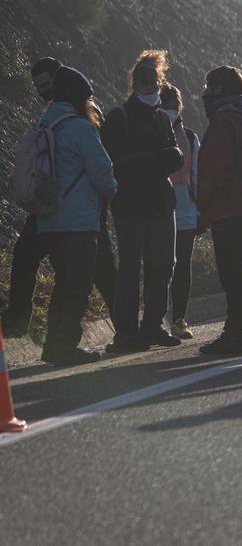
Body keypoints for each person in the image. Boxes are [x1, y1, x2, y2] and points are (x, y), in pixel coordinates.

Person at [2, 58, 117, 341]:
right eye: (39, 86)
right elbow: (100, 169)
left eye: (48, 84)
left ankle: (26, 322)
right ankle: (54, 334)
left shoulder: (66, 118)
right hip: (69, 209)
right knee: (76, 276)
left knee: (85, 273)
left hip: (66, 208)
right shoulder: (65, 117)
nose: (44, 91)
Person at [101, 50, 184, 354]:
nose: (148, 84)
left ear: (159, 81)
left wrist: (153, 159)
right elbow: (114, 162)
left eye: (152, 80)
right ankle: (126, 332)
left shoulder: (162, 117)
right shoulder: (118, 117)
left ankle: (152, 325)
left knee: (163, 265)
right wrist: (155, 160)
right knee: (130, 269)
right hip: (131, 206)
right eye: (142, 79)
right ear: (133, 82)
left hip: (161, 203)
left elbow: (174, 156)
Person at [195, 67, 242, 355]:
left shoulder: (223, 122)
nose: (205, 94)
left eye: (209, 87)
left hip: (227, 206)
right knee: (238, 272)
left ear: (218, 90)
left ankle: (235, 334)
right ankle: (237, 332)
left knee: (231, 273)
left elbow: (214, 170)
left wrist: (203, 209)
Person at [161, 84, 200, 341]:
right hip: (170, 208)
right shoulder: (188, 136)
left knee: (176, 265)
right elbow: (197, 175)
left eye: (173, 106)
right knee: (170, 265)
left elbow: (197, 174)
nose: (171, 111)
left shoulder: (189, 137)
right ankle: (169, 320)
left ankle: (174, 319)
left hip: (180, 209)